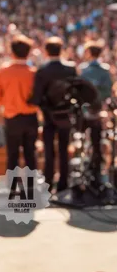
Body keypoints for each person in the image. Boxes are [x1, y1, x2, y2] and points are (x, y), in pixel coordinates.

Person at [31, 36, 78, 192]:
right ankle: (64, 184)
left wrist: (46, 108)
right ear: (61, 50)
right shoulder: (70, 69)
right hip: (65, 115)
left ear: (46, 51)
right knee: (64, 149)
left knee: (49, 150)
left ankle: (48, 183)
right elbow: (75, 92)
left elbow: (37, 98)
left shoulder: (42, 71)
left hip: (48, 116)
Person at [0, 35, 38, 171]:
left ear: (12, 52)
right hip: (30, 117)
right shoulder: (34, 73)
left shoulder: (3, 71)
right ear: (28, 53)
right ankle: (31, 188)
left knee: (12, 155)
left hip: (11, 117)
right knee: (30, 154)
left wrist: (8, 103)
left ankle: (11, 188)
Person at [78, 40, 111, 178]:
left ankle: (85, 166)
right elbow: (107, 91)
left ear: (89, 53)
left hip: (85, 109)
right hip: (97, 109)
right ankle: (96, 164)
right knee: (96, 139)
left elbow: (79, 89)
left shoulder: (84, 69)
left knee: (81, 138)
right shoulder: (105, 70)